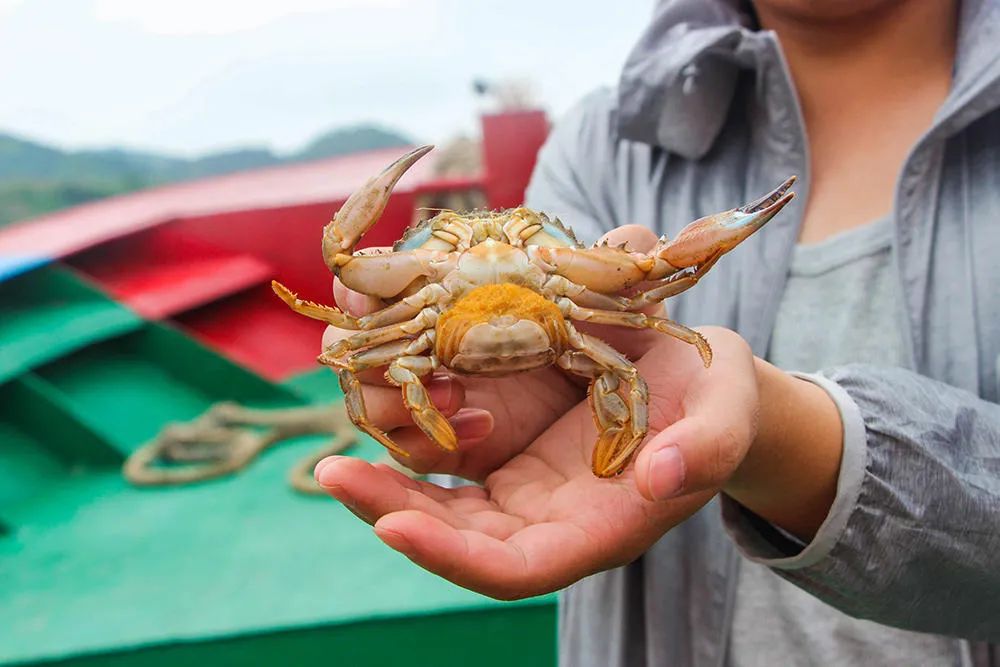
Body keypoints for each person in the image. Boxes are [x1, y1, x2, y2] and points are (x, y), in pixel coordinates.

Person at [315, 0, 1000, 664]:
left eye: (518, 232)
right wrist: (483, 414)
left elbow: (652, 279)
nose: (494, 240)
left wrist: (787, 438)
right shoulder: (600, 148)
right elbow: (350, 289)